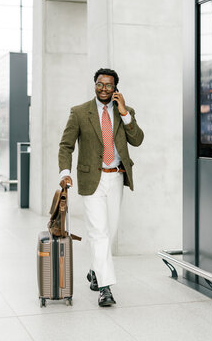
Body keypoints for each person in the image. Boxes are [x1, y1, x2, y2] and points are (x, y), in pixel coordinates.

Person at [58, 68, 144, 306]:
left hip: (116, 177)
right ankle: (105, 288)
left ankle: (96, 271)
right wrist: (64, 172)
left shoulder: (125, 112)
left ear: (116, 88)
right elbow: (65, 146)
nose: (103, 89)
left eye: (108, 85)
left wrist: (125, 112)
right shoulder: (79, 112)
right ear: (94, 84)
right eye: (99, 84)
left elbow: (137, 140)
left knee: (110, 232)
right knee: (99, 233)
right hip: (91, 180)